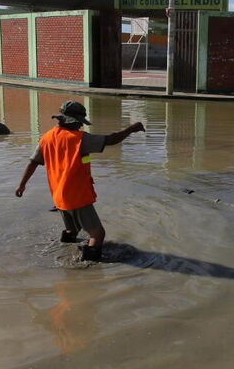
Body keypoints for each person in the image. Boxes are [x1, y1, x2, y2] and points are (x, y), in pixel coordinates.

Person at [15, 100, 145, 262]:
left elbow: (33, 162)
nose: (80, 127)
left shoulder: (46, 138)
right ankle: (88, 270)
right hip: (76, 196)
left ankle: (66, 248)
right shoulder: (78, 139)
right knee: (98, 233)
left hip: (59, 196)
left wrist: (22, 185)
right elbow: (111, 140)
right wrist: (132, 128)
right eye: (79, 123)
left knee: (72, 230)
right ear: (74, 121)